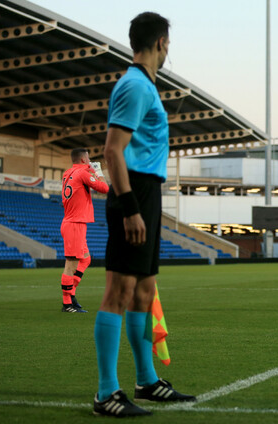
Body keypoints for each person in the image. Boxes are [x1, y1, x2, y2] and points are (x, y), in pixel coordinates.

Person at [93, 12, 195, 418]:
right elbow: (112, 150)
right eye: (168, 44)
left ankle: (146, 381)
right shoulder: (135, 85)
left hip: (147, 192)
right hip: (132, 193)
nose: (168, 50)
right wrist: (130, 208)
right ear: (160, 43)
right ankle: (106, 393)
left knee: (144, 292)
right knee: (119, 292)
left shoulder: (144, 86)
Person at [60, 148, 109, 313]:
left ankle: (71, 294)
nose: (90, 161)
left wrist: (90, 170)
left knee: (85, 259)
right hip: (75, 224)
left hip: (74, 222)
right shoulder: (82, 173)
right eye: (88, 158)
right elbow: (104, 188)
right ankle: (67, 303)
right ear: (83, 159)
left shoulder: (68, 172)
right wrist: (98, 171)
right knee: (70, 265)